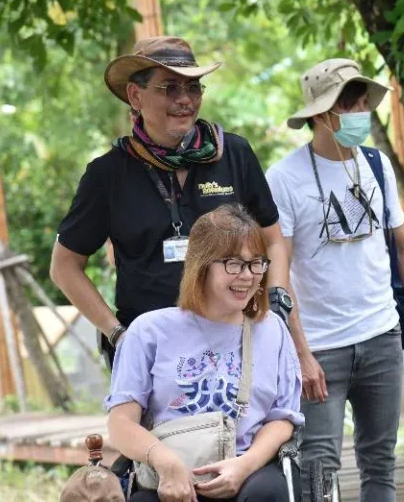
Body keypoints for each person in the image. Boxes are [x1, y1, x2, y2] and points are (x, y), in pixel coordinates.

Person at [50, 36, 299, 368]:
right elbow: (64, 266)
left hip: (236, 341)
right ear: (135, 96)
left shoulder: (234, 154)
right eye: (169, 88)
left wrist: (277, 298)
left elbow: (273, 240)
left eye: (194, 88)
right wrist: (119, 335)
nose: (185, 100)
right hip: (154, 352)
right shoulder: (107, 174)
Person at [265, 59, 404, 502]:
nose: (362, 110)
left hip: (381, 337)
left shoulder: (377, 166)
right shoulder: (285, 178)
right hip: (320, 347)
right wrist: (299, 351)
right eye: (350, 102)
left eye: (364, 100)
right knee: (319, 473)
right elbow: (277, 270)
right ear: (322, 115)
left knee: (380, 464)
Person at [105, 204, 304, 502]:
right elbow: (121, 424)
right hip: (170, 471)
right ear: (201, 265)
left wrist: (243, 466)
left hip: (248, 469)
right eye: (234, 264)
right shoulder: (148, 331)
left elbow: (282, 419)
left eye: (256, 264)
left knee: (268, 492)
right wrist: (167, 463)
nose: (248, 276)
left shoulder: (272, 329)